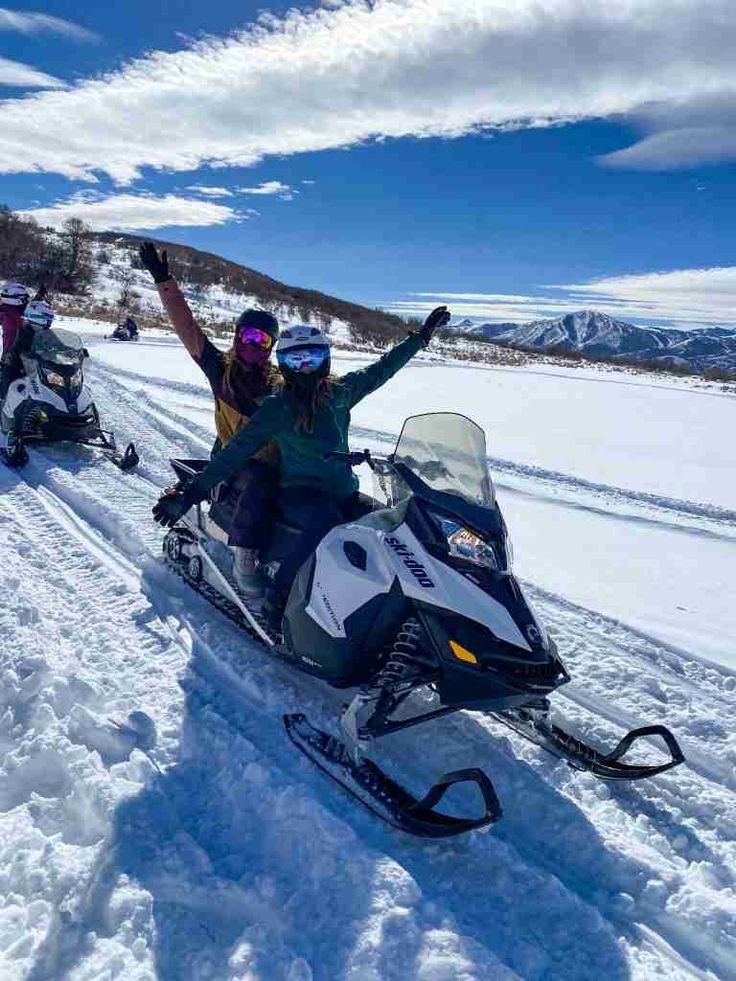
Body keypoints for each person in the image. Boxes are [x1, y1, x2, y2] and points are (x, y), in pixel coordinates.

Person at [152, 305, 451, 616]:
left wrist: (421, 338)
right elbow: (235, 452)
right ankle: (280, 600)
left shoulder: (341, 392)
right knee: (325, 533)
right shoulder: (278, 406)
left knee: (390, 526)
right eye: (297, 359)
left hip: (343, 490)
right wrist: (189, 494)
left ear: (326, 360)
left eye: (313, 358)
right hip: (299, 492)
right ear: (284, 363)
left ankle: (388, 603)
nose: (306, 367)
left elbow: (382, 369)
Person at [138, 242, 281, 595]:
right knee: (260, 477)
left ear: (270, 346)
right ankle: (244, 556)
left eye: (261, 339)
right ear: (237, 337)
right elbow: (187, 327)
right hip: (236, 463)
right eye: (247, 335)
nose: (252, 343)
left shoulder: (279, 383)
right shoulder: (221, 370)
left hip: (276, 462)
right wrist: (164, 281)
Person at [1, 298, 56, 464]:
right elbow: (22, 350)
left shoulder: (43, 332)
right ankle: (14, 430)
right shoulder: (26, 331)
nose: (49, 322)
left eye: (50, 318)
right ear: (38, 317)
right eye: (47, 317)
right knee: (20, 391)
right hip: (17, 368)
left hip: (34, 370)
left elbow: (55, 343)